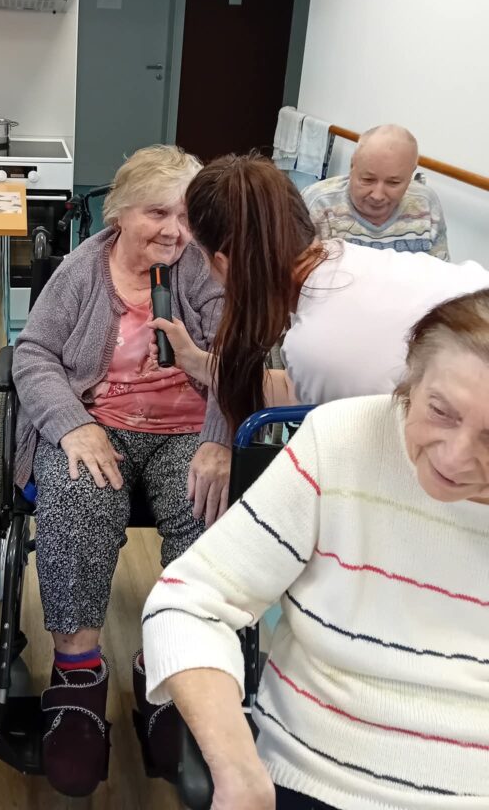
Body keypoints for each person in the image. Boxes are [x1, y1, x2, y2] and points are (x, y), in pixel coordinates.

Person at [143, 288, 489, 809]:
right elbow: (190, 600)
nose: (456, 457)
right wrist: (238, 769)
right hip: (310, 776)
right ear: (411, 379)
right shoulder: (341, 441)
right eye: (441, 411)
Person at [11, 144, 231, 797]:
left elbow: (240, 361)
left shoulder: (202, 270)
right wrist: (72, 425)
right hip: (98, 420)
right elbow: (33, 355)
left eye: (185, 216)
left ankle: (166, 668)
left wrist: (218, 435)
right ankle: (78, 674)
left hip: (188, 429)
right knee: (78, 497)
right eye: (157, 213)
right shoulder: (83, 270)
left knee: (208, 511)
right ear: (121, 213)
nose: (174, 231)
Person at [153, 153, 489, 428]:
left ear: (224, 263)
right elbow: (294, 390)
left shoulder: (317, 340)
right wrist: (195, 361)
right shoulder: (346, 258)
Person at [301, 124, 449, 258]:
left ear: (411, 175)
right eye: (368, 180)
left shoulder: (426, 204)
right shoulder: (317, 204)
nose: (377, 196)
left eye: (393, 183)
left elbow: (442, 272)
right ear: (352, 167)